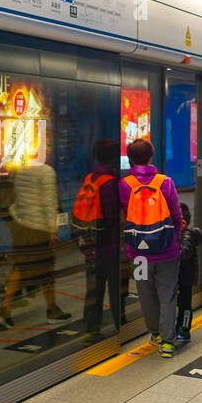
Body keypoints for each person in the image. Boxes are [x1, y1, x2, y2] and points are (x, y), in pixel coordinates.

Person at [119, 138, 183, 357]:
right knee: (167, 295)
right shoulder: (165, 182)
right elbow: (176, 215)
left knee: (145, 293)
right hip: (167, 252)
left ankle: (154, 333)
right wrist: (176, 239)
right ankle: (167, 342)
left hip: (138, 254)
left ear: (130, 159)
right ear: (151, 157)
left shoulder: (124, 185)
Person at [0, 162, 71, 330]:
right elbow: (50, 202)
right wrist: (53, 229)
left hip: (21, 226)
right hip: (39, 228)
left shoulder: (18, 168)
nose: (48, 148)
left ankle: (4, 311)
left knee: (20, 267)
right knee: (46, 268)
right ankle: (52, 310)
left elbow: (4, 192)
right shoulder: (45, 171)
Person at [78, 139, 121, 340]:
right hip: (108, 244)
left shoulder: (90, 177)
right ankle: (119, 323)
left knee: (93, 288)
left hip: (89, 242)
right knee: (115, 286)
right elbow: (113, 217)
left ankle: (90, 328)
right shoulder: (110, 182)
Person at [174, 202, 202, 346]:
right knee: (178, 303)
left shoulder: (187, 236)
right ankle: (177, 327)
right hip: (178, 276)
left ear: (183, 223)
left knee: (185, 305)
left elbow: (184, 253)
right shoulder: (179, 234)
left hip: (185, 277)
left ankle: (184, 329)